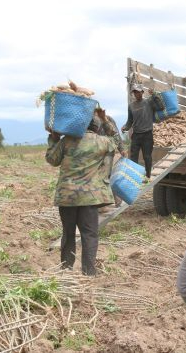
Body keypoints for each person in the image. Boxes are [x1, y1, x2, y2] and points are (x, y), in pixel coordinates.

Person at [45, 108, 119, 276]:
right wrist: (105, 119)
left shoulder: (66, 141)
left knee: (68, 234)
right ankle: (89, 272)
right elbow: (115, 139)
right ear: (95, 127)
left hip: (67, 197)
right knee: (89, 235)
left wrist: (54, 139)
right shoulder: (100, 142)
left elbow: (52, 160)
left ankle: (66, 270)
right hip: (89, 198)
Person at [121, 84, 155, 178]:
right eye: (135, 92)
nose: (136, 94)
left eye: (138, 92)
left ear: (142, 92)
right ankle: (134, 176)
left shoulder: (148, 102)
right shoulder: (131, 106)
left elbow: (160, 106)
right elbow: (130, 121)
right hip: (136, 135)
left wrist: (154, 94)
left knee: (147, 157)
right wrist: (125, 127)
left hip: (147, 135)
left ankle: (148, 176)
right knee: (133, 157)